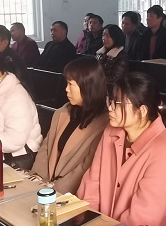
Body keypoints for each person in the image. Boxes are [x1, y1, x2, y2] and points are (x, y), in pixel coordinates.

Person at [77, 72, 166, 226]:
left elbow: (143, 217)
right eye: (110, 101)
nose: (110, 108)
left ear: (142, 111)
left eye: (117, 103)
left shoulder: (165, 148)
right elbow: (92, 183)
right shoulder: (111, 131)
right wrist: (89, 222)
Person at [31, 57, 109, 194]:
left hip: (70, 193)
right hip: (44, 186)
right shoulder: (63, 112)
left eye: (71, 84)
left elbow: (85, 167)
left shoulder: (105, 123)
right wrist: (38, 178)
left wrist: (55, 189)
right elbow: (46, 147)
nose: (66, 89)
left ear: (87, 85)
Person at [96, 24, 128, 91]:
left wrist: (96, 78)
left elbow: (115, 78)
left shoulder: (121, 55)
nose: (104, 38)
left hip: (112, 90)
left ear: (115, 37)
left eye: (108, 36)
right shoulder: (100, 53)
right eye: (103, 35)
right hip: (98, 87)